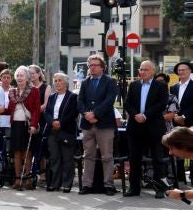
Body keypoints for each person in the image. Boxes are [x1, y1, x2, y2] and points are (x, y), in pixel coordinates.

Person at [123, 60, 169, 198]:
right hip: (135, 127)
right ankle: (134, 188)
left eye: (145, 69)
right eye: (141, 69)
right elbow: (127, 103)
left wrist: (145, 115)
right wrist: (135, 115)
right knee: (134, 159)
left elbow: (162, 103)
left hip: (154, 127)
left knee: (157, 159)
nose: (142, 72)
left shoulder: (160, 85)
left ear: (153, 71)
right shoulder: (134, 85)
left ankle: (160, 188)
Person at [77, 54, 119, 196]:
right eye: (90, 65)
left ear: (102, 67)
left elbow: (109, 101)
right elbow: (80, 101)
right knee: (88, 155)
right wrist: (86, 114)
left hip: (104, 124)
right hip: (87, 124)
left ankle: (108, 185)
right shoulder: (85, 82)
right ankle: (87, 185)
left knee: (107, 156)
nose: (92, 68)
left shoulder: (110, 81)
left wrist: (95, 114)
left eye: (95, 65)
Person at [43, 72, 79, 193]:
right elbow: (47, 112)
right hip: (52, 130)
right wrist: (52, 122)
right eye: (55, 81)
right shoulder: (52, 97)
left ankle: (67, 184)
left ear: (66, 82)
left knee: (67, 158)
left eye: (60, 80)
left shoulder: (72, 97)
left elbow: (73, 113)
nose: (57, 83)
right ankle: (54, 183)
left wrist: (60, 122)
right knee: (54, 157)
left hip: (66, 130)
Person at [8, 66, 41, 190]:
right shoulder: (12, 92)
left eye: (21, 75)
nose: (19, 78)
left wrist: (33, 125)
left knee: (27, 153)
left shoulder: (34, 91)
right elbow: (10, 109)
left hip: (27, 125)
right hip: (15, 125)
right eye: (17, 75)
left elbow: (36, 109)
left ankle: (27, 179)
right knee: (16, 152)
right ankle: (17, 179)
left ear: (27, 78)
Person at [170, 61, 193, 184]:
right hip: (176, 122)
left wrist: (184, 116)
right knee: (178, 148)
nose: (181, 72)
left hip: (191, 122)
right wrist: (175, 116)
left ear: (190, 71)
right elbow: (172, 104)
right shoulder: (174, 87)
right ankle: (179, 177)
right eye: (179, 70)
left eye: (184, 69)